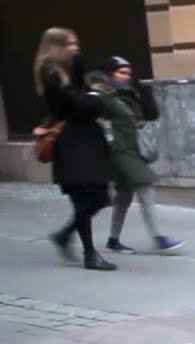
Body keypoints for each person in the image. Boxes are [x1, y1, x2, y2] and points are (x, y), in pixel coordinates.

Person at [34, 27, 115, 270]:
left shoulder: (71, 68)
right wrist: (96, 96)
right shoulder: (51, 74)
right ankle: (90, 254)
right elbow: (80, 104)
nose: (76, 48)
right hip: (71, 141)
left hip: (88, 139)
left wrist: (91, 92)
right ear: (57, 46)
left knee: (100, 198)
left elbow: (88, 98)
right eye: (71, 44)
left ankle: (64, 235)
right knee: (82, 199)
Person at [88, 57, 183, 254]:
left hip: (133, 148)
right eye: (121, 73)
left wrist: (145, 94)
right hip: (119, 149)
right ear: (109, 74)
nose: (126, 77)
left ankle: (112, 240)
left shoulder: (131, 93)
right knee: (146, 185)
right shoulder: (102, 95)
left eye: (128, 73)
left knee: (123, 196)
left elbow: (150, 116)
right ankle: (158, 238)